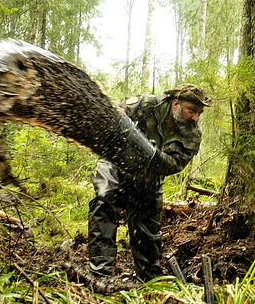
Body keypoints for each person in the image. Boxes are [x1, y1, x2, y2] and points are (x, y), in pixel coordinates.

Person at [87, 84, 212, 281]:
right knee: (105, 198)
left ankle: (149, 279)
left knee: (147, 225)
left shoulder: (192, 134)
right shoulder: (144, 105)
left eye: (199, 113)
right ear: (176, 104)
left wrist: (149, 154)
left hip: (149, 174)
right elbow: (109, 120)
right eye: (192, 110)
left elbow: (172, 165)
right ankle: (100, 274)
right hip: (116, 162)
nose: (195, 117)